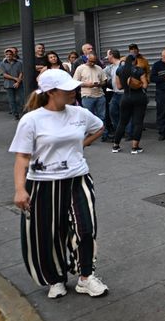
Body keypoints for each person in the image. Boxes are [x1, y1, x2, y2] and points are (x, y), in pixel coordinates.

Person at [10, 69, 108, 299]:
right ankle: (55, 279)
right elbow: (22, 157)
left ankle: (86, 277)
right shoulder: (31, 120)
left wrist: (81, 146)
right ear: (52, 92)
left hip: (78, 179)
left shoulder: (79, 113)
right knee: (46, 233)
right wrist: (19, 189)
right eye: (67, 89)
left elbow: (100, 127)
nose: (74, 91)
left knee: (85, 229)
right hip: (43, 184)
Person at [112, 54, 148, 154]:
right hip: (139, 97)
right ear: (135, 61)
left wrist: (127, 84)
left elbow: (119, 87)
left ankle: (115, 146)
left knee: (122, 122)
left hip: (126, 97)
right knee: (138, 122)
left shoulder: (119, 70)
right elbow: (145, 85)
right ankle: (135, 148)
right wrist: (138, 84)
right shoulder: (139, 70)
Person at [73, 54, 108, 140]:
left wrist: (99, 84)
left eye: (94, 61)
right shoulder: (80, 68)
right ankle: (89, 136)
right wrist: (86, 84)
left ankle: (103, 135)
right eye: (90, 61)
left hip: (100, 95)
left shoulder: (99, 68)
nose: (92, 63)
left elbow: (104, 81)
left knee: (102, 116)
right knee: (88, 117)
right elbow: (75, 82)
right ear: (86, 60)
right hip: (87, 96)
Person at [103, 49, 124, 141]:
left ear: (111, 55)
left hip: (124, 93)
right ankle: (119, 131)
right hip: (115, 93)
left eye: (108, 56)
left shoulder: (122, 65)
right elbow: (100, 72)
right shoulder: (111, 67)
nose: (107, 58)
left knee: (125, 113)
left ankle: (128, 133)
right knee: (113, 112)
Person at [0, 48, 24, 119]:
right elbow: (4, 74)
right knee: (11, 100)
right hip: (8, 84)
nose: (8, 56)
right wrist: (15, 79)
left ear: (13, 55)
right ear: (5, 55)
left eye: (10, 54)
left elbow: (21, 72)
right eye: (7, 54)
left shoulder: (19, 63)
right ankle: (15, 114)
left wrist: (18, 81)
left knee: (22, 99)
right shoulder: (3, 64)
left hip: (19, 83)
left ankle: (23, 112)